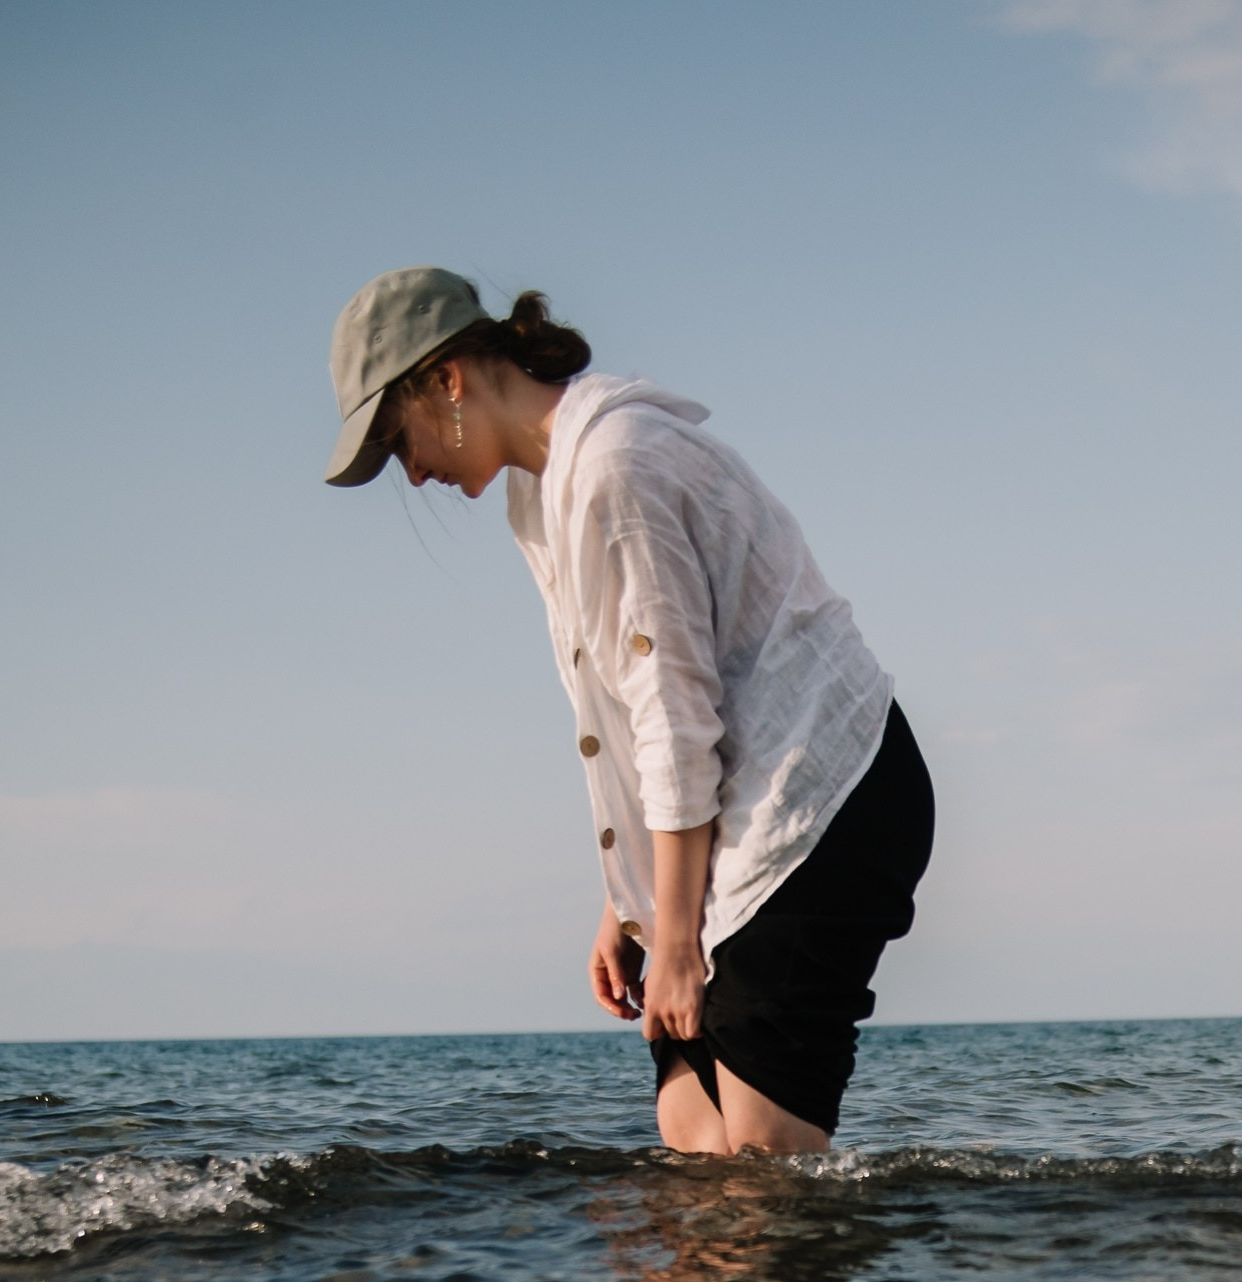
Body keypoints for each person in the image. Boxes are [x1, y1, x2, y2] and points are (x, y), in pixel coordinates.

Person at [324, 266, 932, 1158]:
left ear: (446, 380)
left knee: (761, 1159)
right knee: (688, 1127)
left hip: (820, 800)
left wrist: (676, 939)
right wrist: (630, 906)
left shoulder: (615, 467)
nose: (408, 473)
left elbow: (676, 715)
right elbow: (618, 709)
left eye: (395, 439)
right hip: (737, 806)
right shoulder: (543, 490)